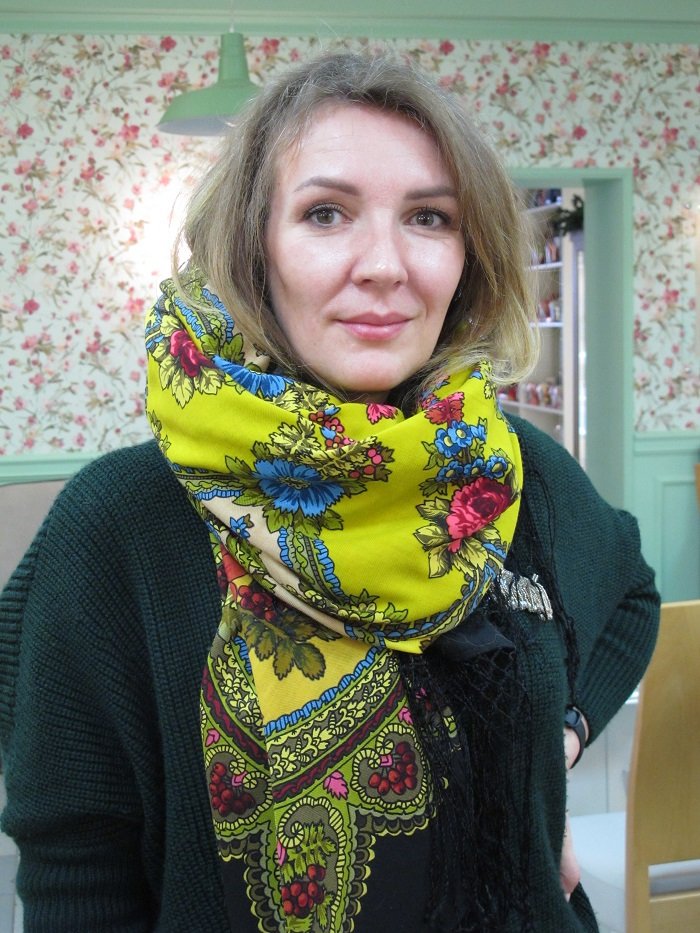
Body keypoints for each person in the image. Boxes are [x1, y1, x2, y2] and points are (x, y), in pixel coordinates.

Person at [0, 50, 659, 932]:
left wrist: (555, 745)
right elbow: (78, 880)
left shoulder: (510, 471)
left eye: (428, 217)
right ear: (254, 248)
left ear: (467, 256)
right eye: (325, 213)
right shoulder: (119, 525)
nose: (385, 263)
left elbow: (630, 594)